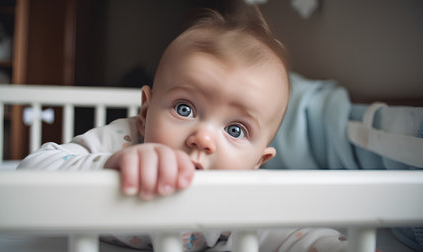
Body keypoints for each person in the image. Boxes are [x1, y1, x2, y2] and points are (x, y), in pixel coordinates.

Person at [18, 7, 348, 252]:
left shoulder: (234, 197)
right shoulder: (123, 140)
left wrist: (329, 245)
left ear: (257, 164)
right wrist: (108, 167)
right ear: (145, 113)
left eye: (235, 130)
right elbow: (29, 175)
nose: (203, 138)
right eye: (184, 109)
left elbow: (286, 233)